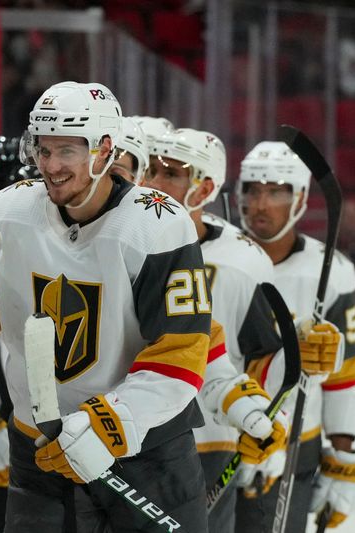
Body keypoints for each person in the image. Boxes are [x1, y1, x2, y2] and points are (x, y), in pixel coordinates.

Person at [0, 81, 212, 532]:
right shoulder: (8, 212)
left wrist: (112, 423)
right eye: (44, 149)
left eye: (68, 151)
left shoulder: (158, 224)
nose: (51, 166)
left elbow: (181, 357)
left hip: (149, 453)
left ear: (104, 150)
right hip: (40, 452)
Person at [142, 128, 288, 532]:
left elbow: (264, 356)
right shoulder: (126, 241)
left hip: (210, 443)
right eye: (150, 169)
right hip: (126, 437)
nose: (152, 183)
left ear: (204, 187)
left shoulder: (244, 261)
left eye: (169, 173)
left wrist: (265, 421)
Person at [235, 141, 355, 531]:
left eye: (275, 191)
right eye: (252, 190)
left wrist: (342, 461)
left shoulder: (333, 270)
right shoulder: (217, 258)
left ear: (301, 197)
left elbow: (344, 377)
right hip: (220, 438)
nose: (260, 204)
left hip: (296, 446)